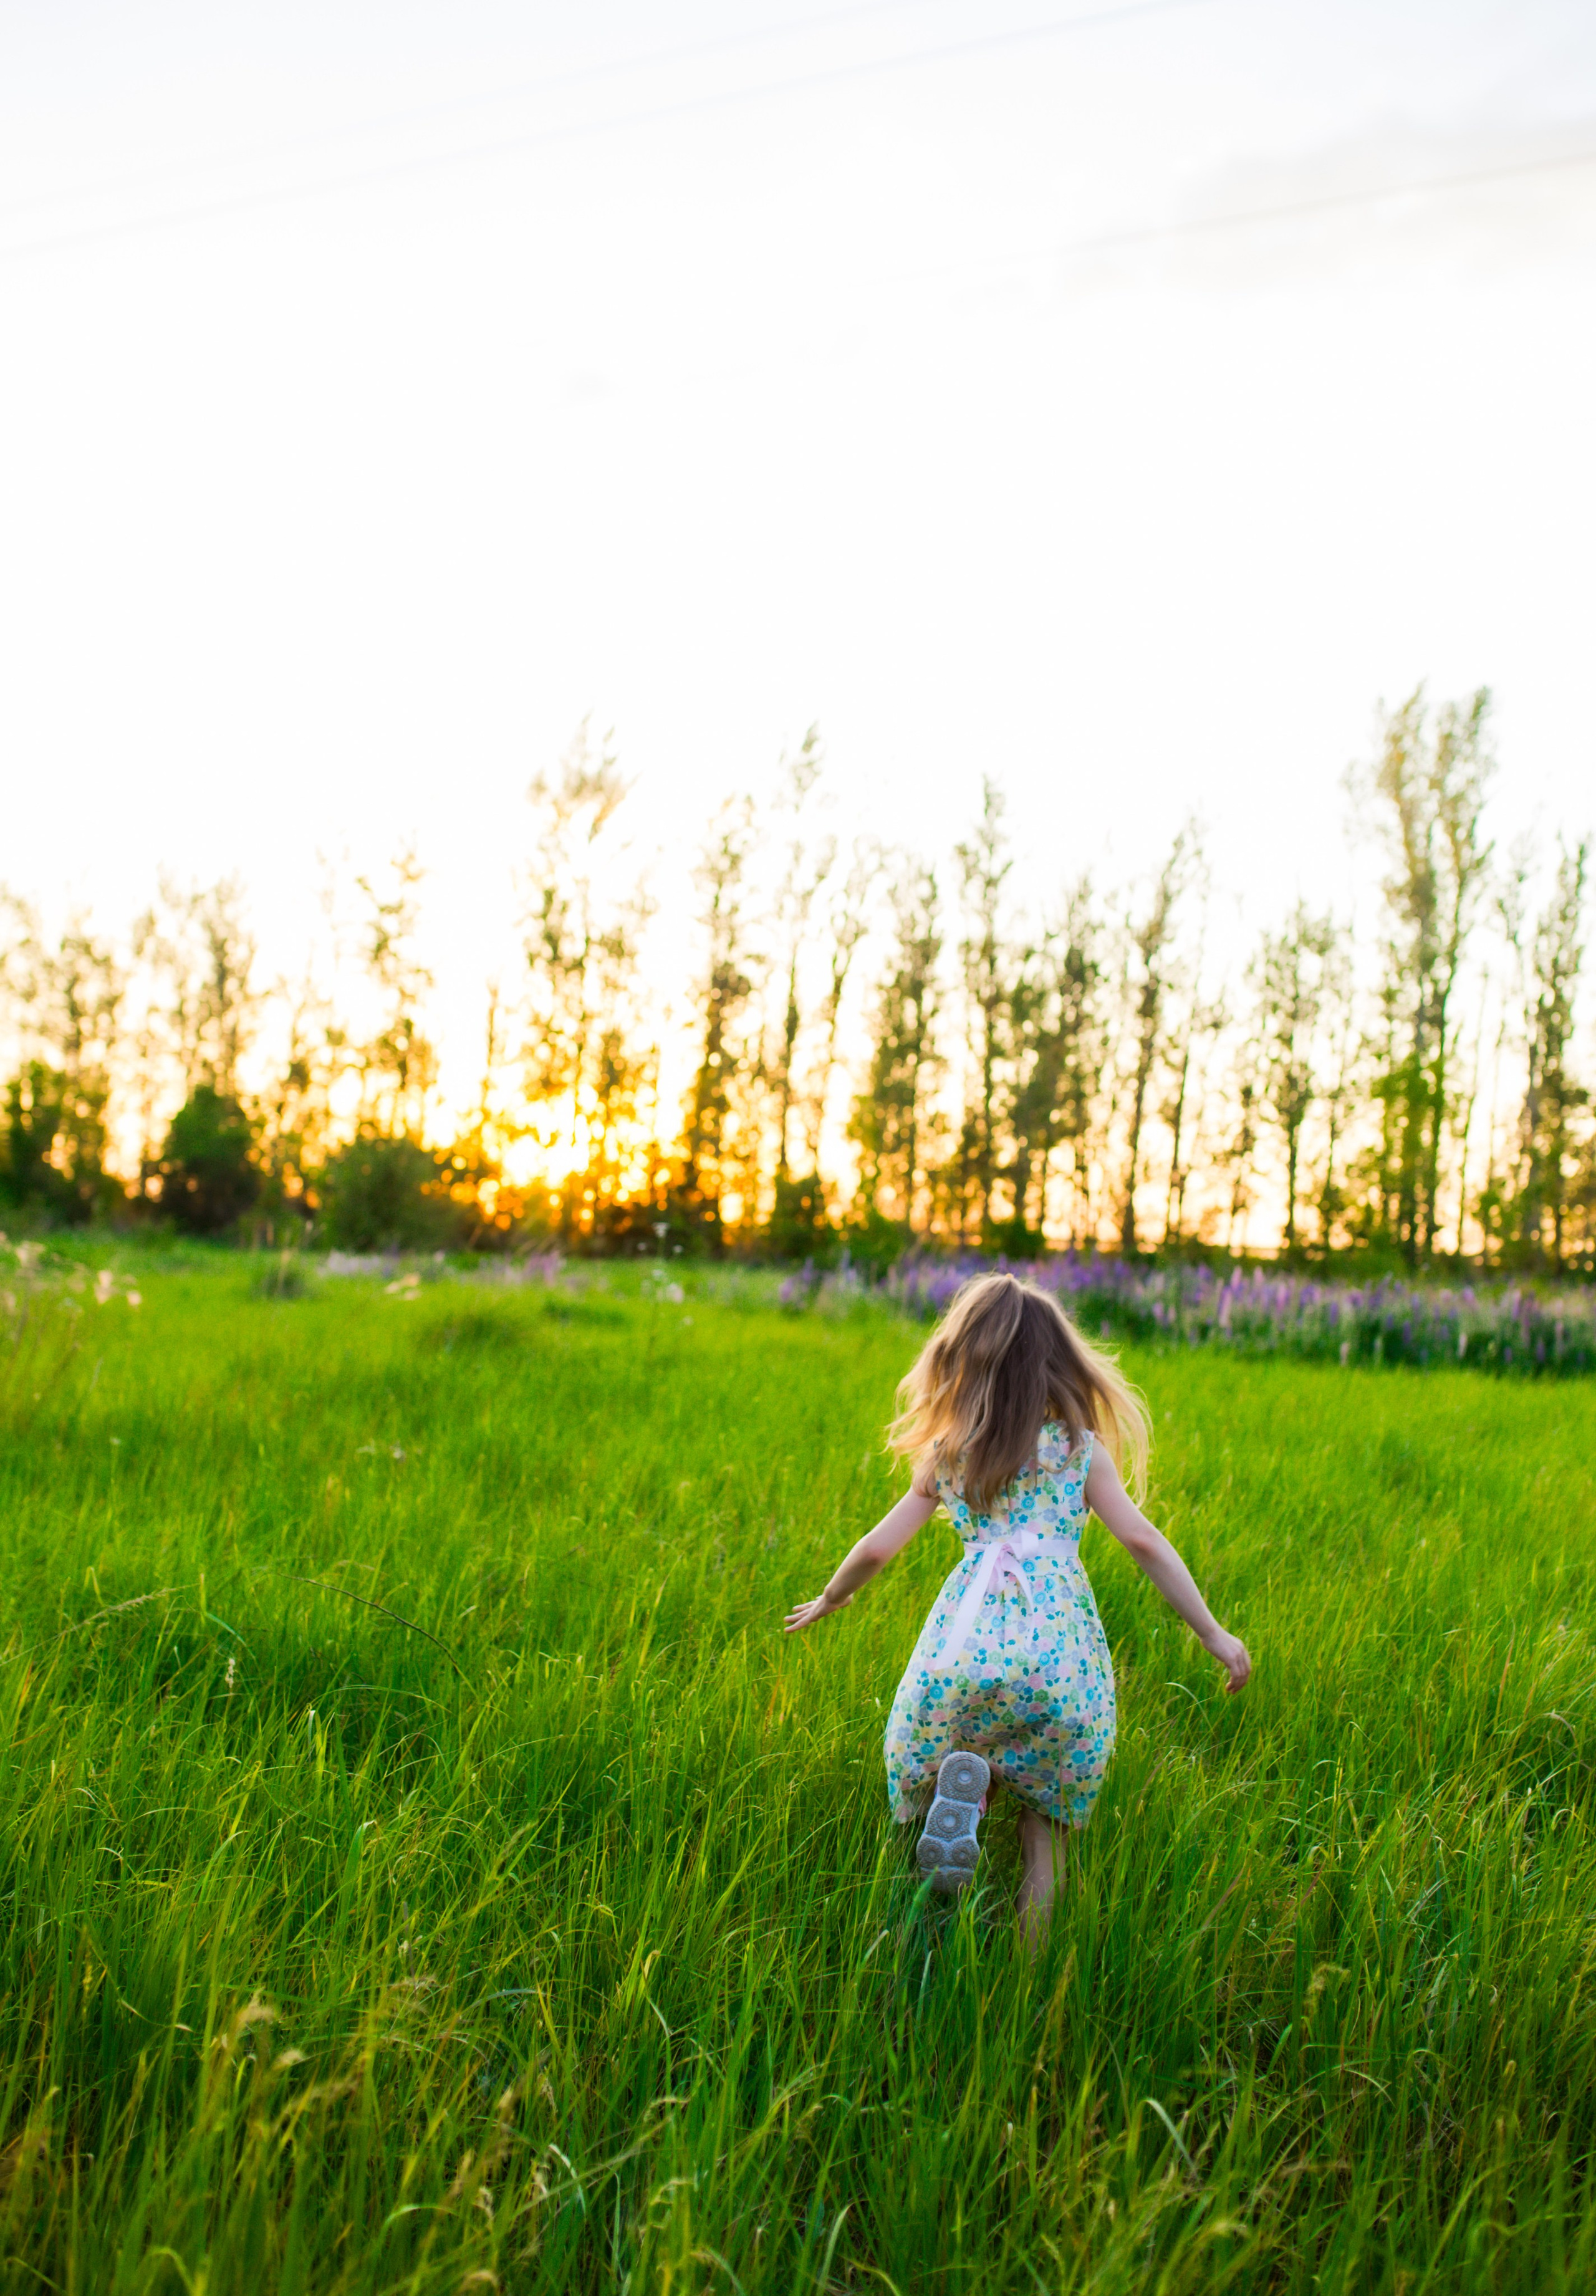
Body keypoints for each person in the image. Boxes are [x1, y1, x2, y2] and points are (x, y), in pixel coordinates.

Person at [784, 1270, 1251, 1939]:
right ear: (1057, 1363)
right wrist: (1212, 1631)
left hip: (964, 1652)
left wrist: (831, 1596)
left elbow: (874, 1548)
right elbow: (1144, 1541)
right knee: (1047, 1834)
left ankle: (963, 1809)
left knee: (972, 1731)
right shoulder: (1077, 1452)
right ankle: (1027, 1977)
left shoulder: (950, 1455)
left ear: (960, 1361)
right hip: (1056, 1663)